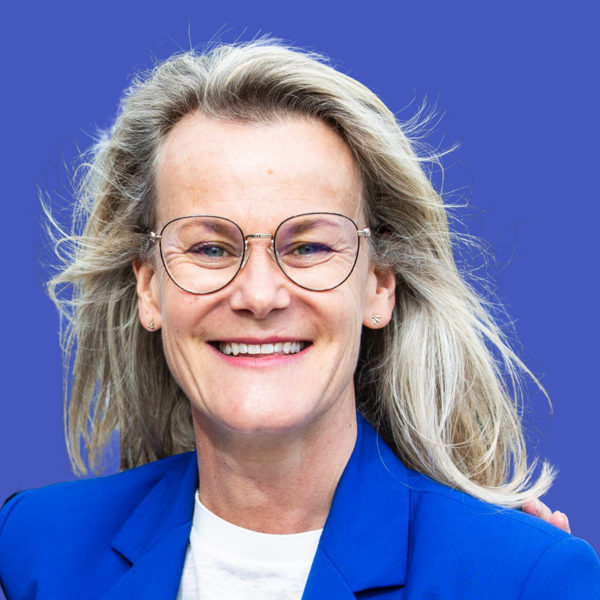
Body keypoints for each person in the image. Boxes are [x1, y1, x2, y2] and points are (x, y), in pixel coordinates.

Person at [0, 40, 597, 599]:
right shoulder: (33, 546)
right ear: (149, 288)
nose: (259, 295)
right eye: (210, 248)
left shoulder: (520, 577)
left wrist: (523, 568)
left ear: (379, 285)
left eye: (309, 247)